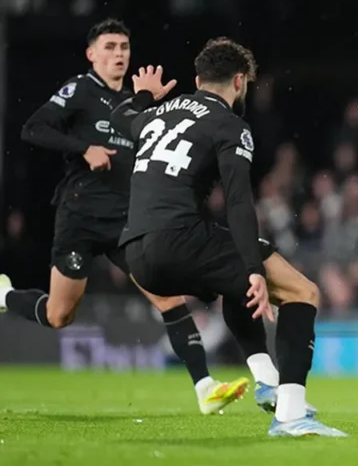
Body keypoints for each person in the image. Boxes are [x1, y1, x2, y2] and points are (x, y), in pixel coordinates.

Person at [0, 19, 248, 416]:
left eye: (124, 47)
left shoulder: (138, 100)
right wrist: (84, 148)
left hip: (125, 221)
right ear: (91, 54)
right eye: (110, 46)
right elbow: (34, 129)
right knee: (59, 315)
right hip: (80, 215)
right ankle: (5, 295)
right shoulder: (80, 90)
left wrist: (153, 105)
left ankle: (205, 388)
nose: (119, 54)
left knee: (168, 297)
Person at [110, 38, 344, 437]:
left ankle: (267, 377)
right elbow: (238, 201)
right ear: (240, 81)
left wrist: (146, 97)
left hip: (135, 253)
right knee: (302, 292)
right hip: (178, 239)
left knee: (234, 285)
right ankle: (290, 415)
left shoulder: (156, 115)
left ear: (198, 79)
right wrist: (254, 268)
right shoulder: (229, 125)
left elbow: (119, 121)